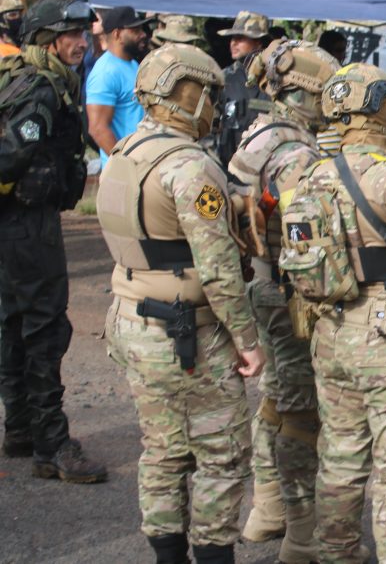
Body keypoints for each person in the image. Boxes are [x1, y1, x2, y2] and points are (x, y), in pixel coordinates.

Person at [279, 62, 386, 563]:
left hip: (330, 331)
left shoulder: (307, 177)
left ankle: (336, 553)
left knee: (340, 458)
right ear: (381, 112)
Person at [98, 43, 266, 564]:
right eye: (208, 94)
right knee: (221, 454)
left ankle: (166, 555)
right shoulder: (190, 167)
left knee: (163, 449)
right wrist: (248, 340)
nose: (213, 105)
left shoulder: (124, 152)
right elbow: (218, 270)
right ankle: (213, 553)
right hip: (186, 333)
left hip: (132, 322)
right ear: (186, 95)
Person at [229, 40, 338, 562]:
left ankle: (268, 511)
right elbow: (306, 240)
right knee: (301, 412)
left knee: (276, 398)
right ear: (304, 94)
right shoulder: (296, 154)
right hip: (286, 292)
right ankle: (302, 537)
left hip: (262, 283)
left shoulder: (261, 134)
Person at [0, 0, 101, 482]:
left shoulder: (27, 78)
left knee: (14, 322)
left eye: (82, 34)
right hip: (28, 225)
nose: (81, 43)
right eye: (70, 35)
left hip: (15, 222)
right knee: (45, 328)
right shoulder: (41, 89)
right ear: (46, 40)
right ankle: (51, 443)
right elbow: (11, 155)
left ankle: (21, 427)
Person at [85, 6, 153, 166]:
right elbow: (97, 128)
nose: (143, 34)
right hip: (125, 170)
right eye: (135, 31)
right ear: (117, 34)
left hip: (142, 163)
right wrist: (124, 164)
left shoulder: (132, 63)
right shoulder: (105, 72)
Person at [217, 11, 273, 164]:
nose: (233, 43)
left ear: (259, 42)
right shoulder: (223, 78)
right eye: (232, 38)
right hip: (228, 163)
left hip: (264, 163)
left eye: (240, 38)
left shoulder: (275, 80)